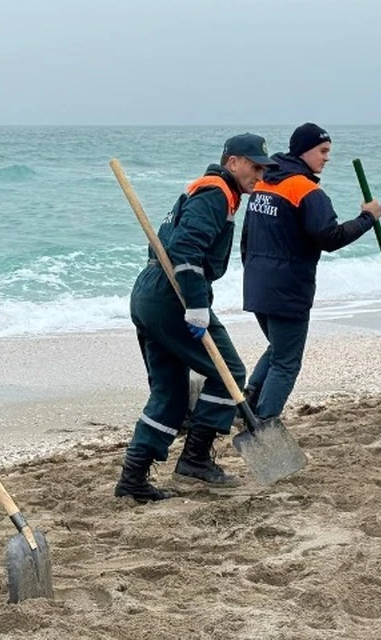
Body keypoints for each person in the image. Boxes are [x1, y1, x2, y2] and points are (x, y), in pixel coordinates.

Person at [115, 134, 278, 503]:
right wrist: (195, 303)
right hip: (172, 295)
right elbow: (185, 248)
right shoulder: (216, 193)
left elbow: (168, 244)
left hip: (151, 293)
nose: (259, 174)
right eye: (255, 166)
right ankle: (196, 458)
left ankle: (133, 479)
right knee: (229, 374)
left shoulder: (211, 193)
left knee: (170, 393)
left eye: (263, 168)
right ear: (233, 161)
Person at [241, 123, 381, 421]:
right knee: (287, 362)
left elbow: (246, 239)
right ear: (304, 151)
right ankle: (264, 424)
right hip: (287, 290)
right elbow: (329, 237)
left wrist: (253, 274)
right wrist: (368, 217)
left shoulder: (264, 185)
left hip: (257, 284)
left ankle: (247, 406)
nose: (326, 158)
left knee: (279, 349)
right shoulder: (306, 189)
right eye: (323, 151)